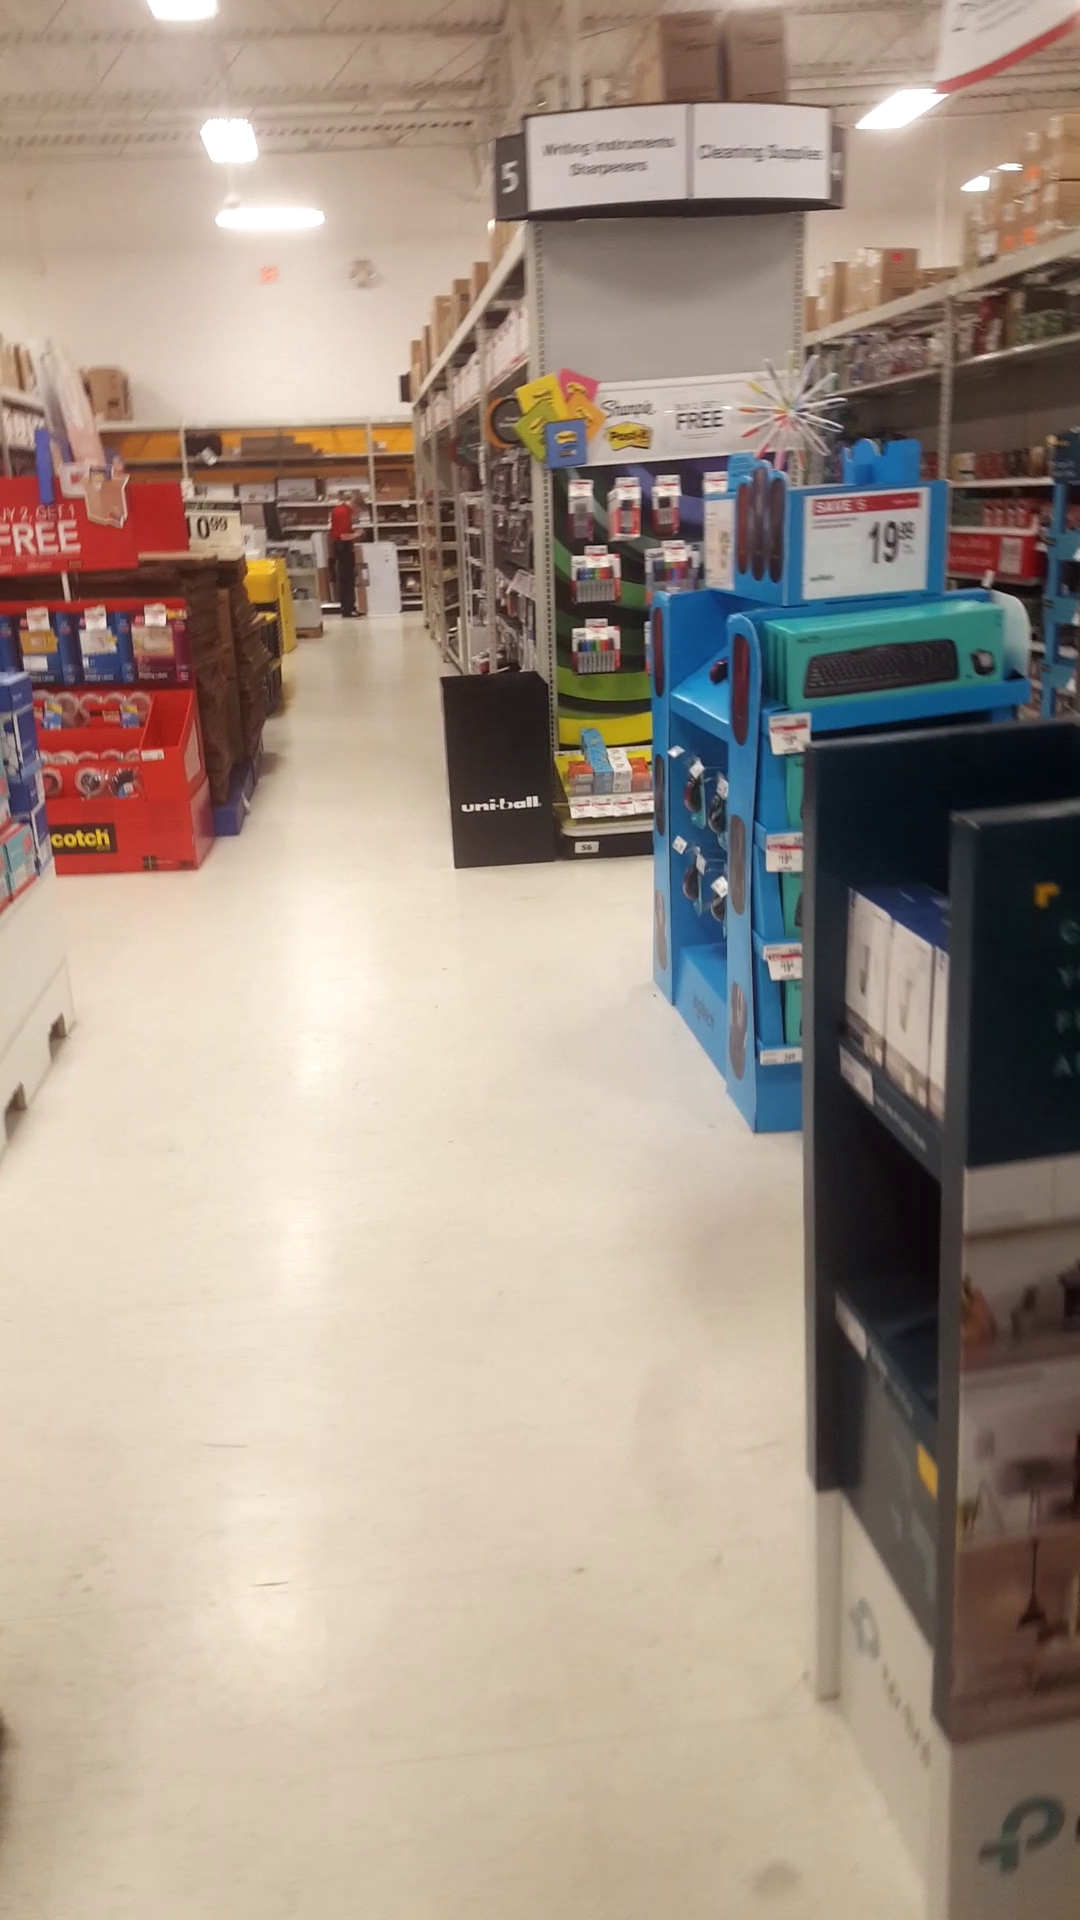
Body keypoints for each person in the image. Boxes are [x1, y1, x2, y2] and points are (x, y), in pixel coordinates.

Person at [329, 493, 358, 617]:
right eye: (358, 510)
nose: (357, 513)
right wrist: (357, 534)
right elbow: (343, 536)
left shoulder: (338, 509)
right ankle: (348, 608)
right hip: (343, 547)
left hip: (338, 547)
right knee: (348, 578)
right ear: (355, 505)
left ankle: (346, 607)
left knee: (343, 577)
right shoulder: (344, 513)